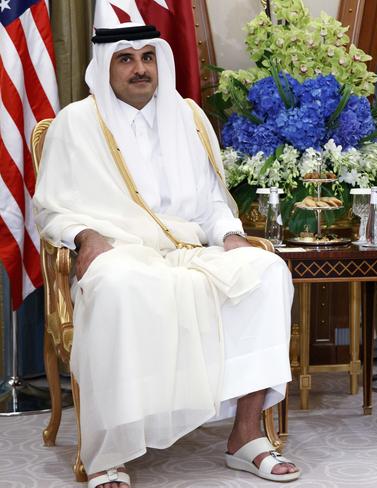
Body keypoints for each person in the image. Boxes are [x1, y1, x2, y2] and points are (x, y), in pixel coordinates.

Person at [34, 23, 300, 487]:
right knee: (117, 285)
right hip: (120, 253)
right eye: (126, 58)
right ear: (104, 66)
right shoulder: (75, 124)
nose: (140, 69)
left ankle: (246, 436)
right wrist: (85, 235)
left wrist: (231, 235)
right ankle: (108, 452)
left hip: (189, 251)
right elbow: (51, 208)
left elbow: (213, 202)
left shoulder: (188, 117)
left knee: (266, 271)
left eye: (147, 57)